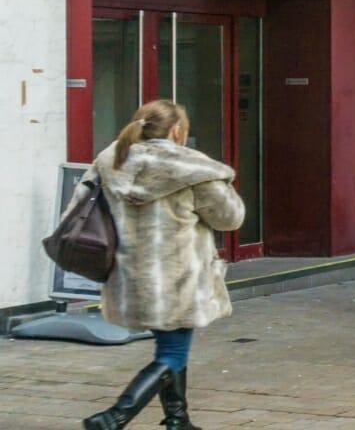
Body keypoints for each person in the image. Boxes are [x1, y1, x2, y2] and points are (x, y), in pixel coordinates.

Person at [78, 100, 243, 430]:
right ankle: (112, 418)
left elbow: (80, 206)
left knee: (171, 346)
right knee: (172, 353)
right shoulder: (193, 170)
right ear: (177, 131)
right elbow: (230, 218)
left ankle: (177, 420)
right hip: (176, 277)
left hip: (128, 276)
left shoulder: (111, 162)